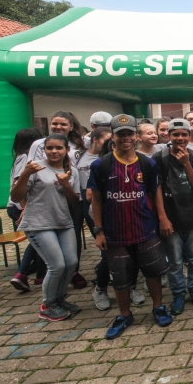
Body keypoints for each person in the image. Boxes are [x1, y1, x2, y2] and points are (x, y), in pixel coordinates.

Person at [88, 114, 173, 339]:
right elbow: (96, 199)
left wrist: (163, 218)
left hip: (145, 228)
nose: (125, 138)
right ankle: (124, 314)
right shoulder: (101, 165)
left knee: (153, 272)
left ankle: (158, 307)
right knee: (120, 276)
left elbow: (156, 192)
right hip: (115, 232)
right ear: (113, 137)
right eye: (120, 134)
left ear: (136, 136)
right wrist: (99, 230)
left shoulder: (148, 163)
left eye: (129, 134)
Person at [10, 133, 81, 321]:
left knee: (71, 262)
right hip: (39, 223)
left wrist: (66, 184)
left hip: (63, 222)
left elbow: (75, 202)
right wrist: (25, 173)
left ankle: (59, 299)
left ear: (66, 150)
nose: (54, 151)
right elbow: (16, 196)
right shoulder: (36, 167)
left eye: (59, 148)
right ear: (44, 149)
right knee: (56, 265)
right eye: (50, 148)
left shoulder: (72, 170)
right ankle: (47, 305)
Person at [27, 111, 87, 289]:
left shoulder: (79, 144)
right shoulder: (38, 144)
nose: (58, 127)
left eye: (62, 124)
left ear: (71, 126)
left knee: (70, 250)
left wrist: (67, 184)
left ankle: (71, 275)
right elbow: (28, 176)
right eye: (55, 123)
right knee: (55, 260)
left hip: (69, 200)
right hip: (43, 205)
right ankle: (46, 281)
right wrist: (24, 208)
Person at [154, 119, 193, 315]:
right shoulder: (159, 157)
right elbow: (156, 188)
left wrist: (186, 164)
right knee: (175, 261)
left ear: (189, 135)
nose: (180, 138)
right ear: (168, 136)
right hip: (170, 216)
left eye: (183, 134)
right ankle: (177, 294)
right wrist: (162, 218)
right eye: (176, 134)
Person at [77, 128, 113, 309]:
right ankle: (100, 288)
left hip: (127, 217)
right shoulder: (99, 165)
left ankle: (129, 288)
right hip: (103, 217)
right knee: (108, 254)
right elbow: (91, 196)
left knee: (129, 254)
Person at [8, 128, 45, 291]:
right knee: (39, 241)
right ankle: (23, 274)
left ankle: (36, 275)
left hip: (23, 206)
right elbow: (18, 183)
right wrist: (25, 208)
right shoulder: (24, 158)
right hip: (20, 207)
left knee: (38, 241)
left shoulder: (20, 157)